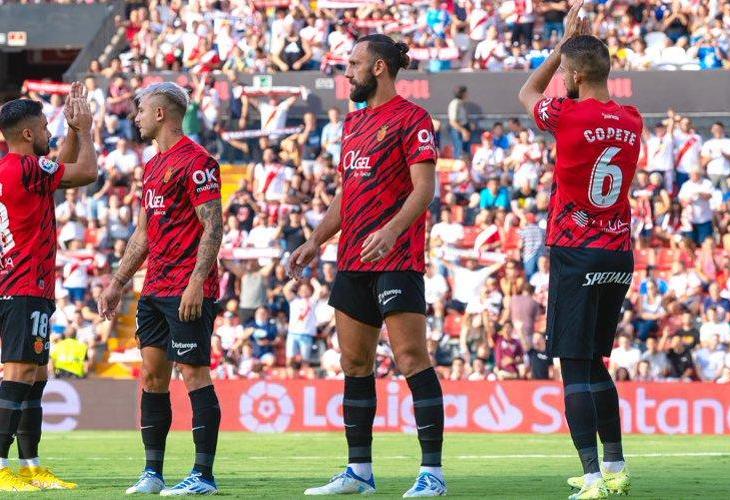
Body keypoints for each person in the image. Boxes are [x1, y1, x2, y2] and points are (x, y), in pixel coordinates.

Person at [288, 34, 446, 497]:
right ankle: (358, 472)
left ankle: (432, 473)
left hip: (397, 257)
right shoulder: (354, 123)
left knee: (411, 358)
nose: (347, 72)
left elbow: (425, 188)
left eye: (354, 64)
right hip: (353, 258)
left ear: (379, 67)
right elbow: (347, 192)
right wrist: (316, 239)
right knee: (354, 363)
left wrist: (393, 230)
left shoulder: (413, 118)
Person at [518, 2, 641, 498]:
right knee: (595, 362)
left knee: (572, 363)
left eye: (566, 72)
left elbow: (526, 92)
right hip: (617, 252)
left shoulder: (566, 115)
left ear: (572, 75)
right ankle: (616, 467)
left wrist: (559, 49)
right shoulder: (632, 119)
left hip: (575, 249)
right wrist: (574, 54)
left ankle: (591, 478)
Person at [98, 82, 223, 496]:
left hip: (187, 288)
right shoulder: (151, 167)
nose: (135, 118)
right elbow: (142, 234)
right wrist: (118, 282)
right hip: (153, 288)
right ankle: (152, 473)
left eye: (141, 111)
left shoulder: (198, 161)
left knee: (194, 373)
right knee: (152, 377)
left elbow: (213, 226)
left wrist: (197, 282)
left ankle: (203, 476)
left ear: (160, 114)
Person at [0, 82, 97, 491]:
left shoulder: (15, 170)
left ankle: (30, 466)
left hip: (22, 285)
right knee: (20, 370)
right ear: (27, 133)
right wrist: (85, 130)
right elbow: (85, 172)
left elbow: (61, 169)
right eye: (43, 127)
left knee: (37, 374)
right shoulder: (25, 168)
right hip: (24, 284)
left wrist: (71, 132)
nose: (48, 133)